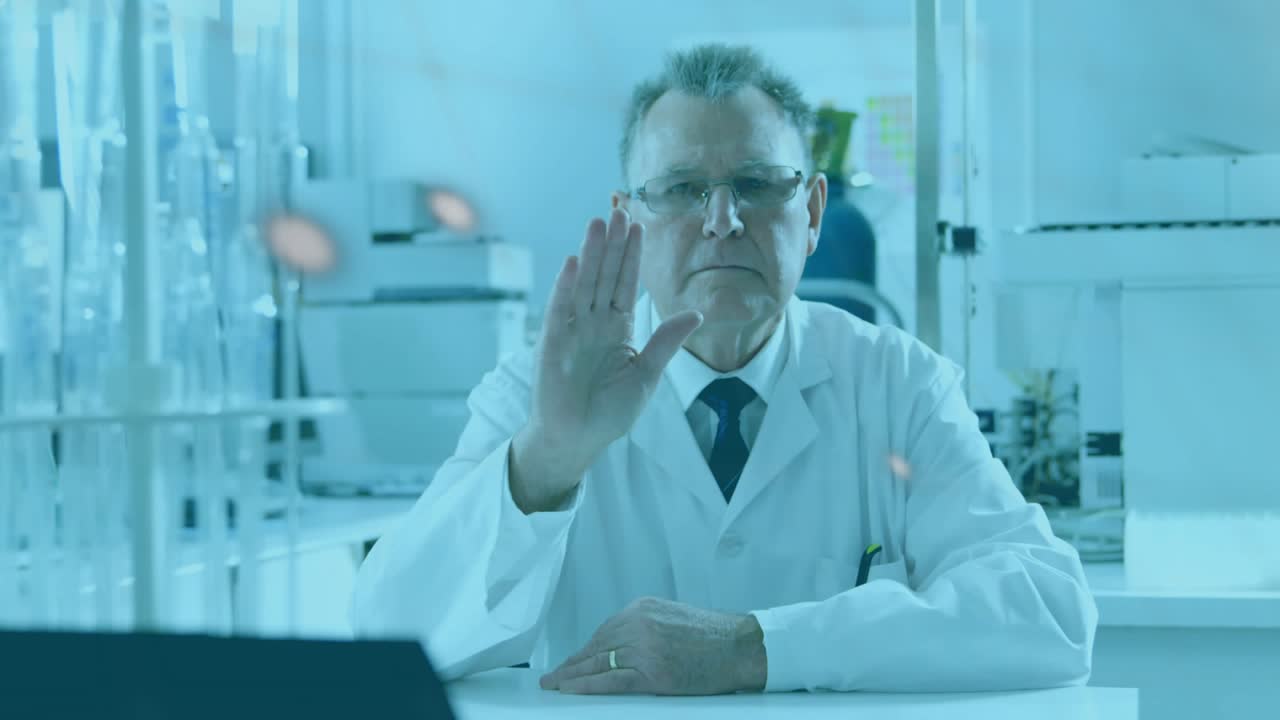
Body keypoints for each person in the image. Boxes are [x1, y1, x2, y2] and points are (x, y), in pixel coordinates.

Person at [351, 43, 1096, 696]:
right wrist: (548, 461)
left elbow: (1050, 612)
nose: (722, 220)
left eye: (758, 184)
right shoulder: (535, 395)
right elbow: (389, 635)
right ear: (628, 218)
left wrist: (754, 647)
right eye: (681, 189)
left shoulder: (898, 384)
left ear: (811, 211)